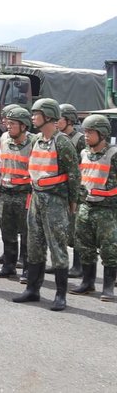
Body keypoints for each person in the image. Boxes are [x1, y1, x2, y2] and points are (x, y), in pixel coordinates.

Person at [13, 99, 81, 311]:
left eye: (37, 114)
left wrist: (72, 202)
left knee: (57, 248)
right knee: (34, 245)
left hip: (55, 201)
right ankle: (33, 289)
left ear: (49, 116)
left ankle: (61, 295)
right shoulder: (36, 141)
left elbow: (74, 175)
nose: (32, 117)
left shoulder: (62, 142)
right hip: (36, 198)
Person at [70, 114, 117, 301]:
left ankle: (108, 287)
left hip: (107, 210)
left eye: (90, 132)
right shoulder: (84, 153)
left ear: (103, 133)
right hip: (85, 207)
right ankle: (87, 283)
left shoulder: (113, 155)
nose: (86, 136)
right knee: (85, 247)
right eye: (85, 131)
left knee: (109, 249)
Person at [0, 107, 35, 280]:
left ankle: (28, 269)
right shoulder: (4, 138)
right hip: (6, 191)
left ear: (24, 126)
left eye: (13, 123)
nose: (9, 126)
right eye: (8, 123)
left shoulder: (34, 142)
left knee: (27, 232)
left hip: (25, 193)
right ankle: (8, 266)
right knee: (6, 230)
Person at [58, 103, 86, 278]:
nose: (55, 122)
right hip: (60, 189)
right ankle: (59, 261)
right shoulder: (57, 138)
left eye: (58, 119)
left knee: (76, 229)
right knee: (60, 228)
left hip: (75, 189)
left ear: (68, 120)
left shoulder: (80, 139)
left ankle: (78, 266)